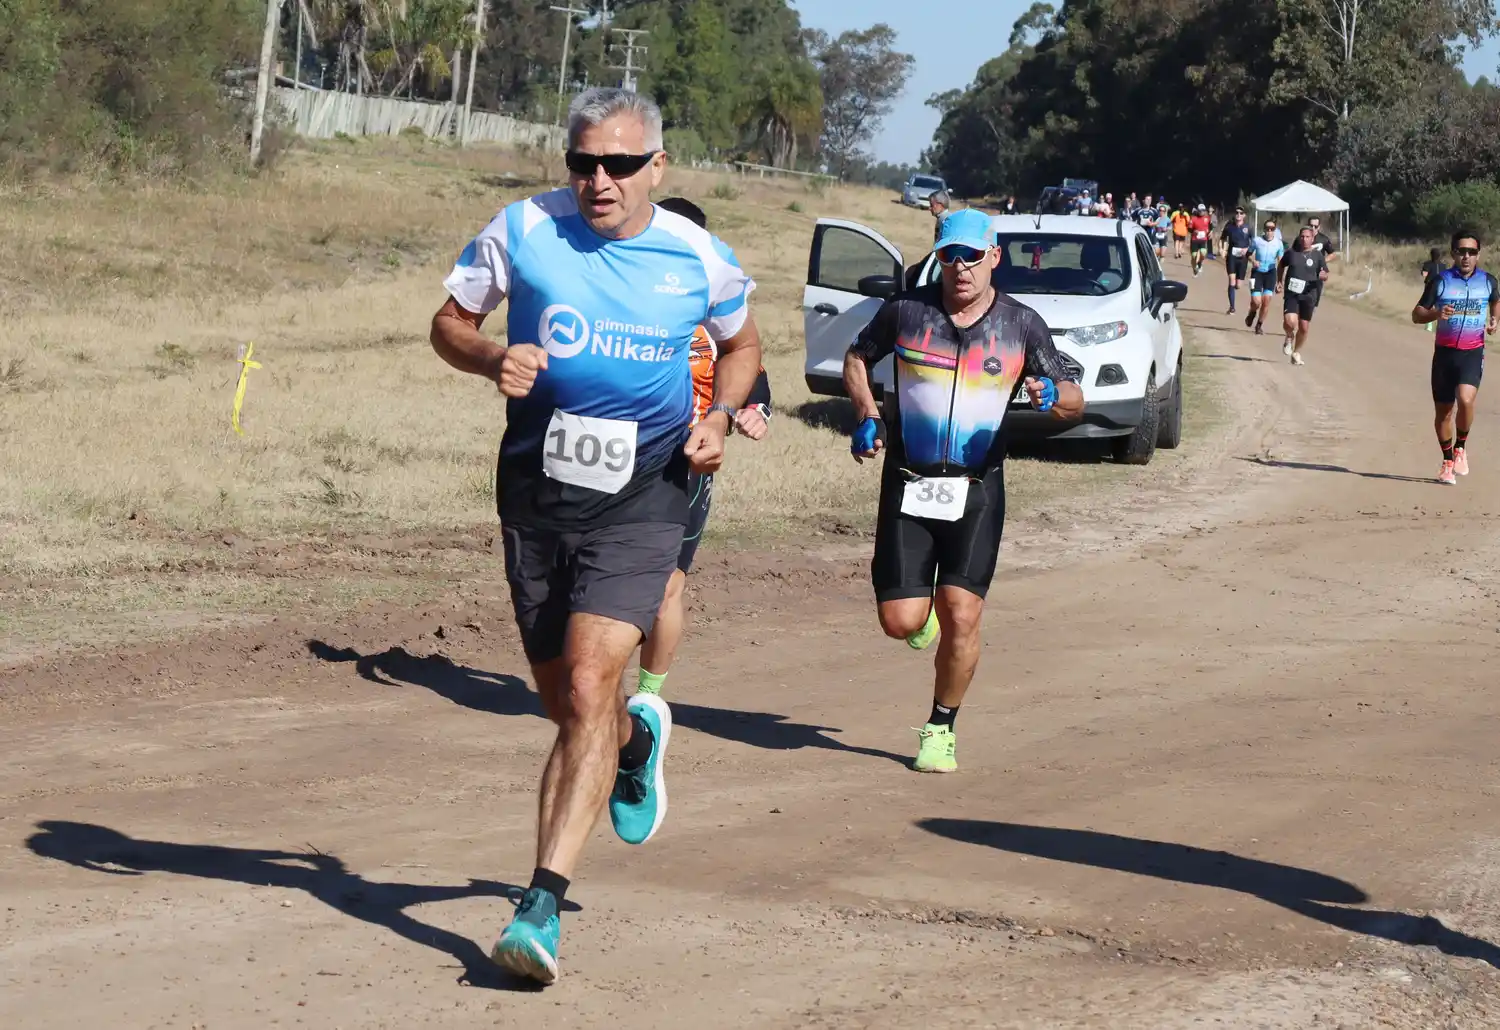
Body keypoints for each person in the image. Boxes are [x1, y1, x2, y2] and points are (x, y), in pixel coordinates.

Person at [429, 87, 762, 985]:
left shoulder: (698, 255)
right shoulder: (522, 230)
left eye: (618, 164)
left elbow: (743, 348)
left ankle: (538, 910)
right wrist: (494, 356)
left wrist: (721, 417)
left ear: (658, 164)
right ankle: (634, 742)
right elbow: (448, 323)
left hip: (646, 494)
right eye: (583, 163)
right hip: (537, 491)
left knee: (586, 682)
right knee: (570, 706)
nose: (599, 181)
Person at [841, 209, 1084, 773]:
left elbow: (1073, 398)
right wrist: (866, 415)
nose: (960, 268)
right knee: (901, 621)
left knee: (964, 614)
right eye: (949, 255)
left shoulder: (1022, 324)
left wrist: (1053, 397)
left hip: (976, 490)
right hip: (908, 482)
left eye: (972, 256)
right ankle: (919, 614)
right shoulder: (906, 311)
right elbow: (857, 357)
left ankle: (940, 726)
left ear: (994, 256)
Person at [637, 197, 773, 698]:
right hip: (612, 461)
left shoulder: (718, 315)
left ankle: (646, 699)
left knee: (668, 586)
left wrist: (750, 413)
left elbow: (753, 379)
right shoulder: (618, 300)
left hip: (685, 467)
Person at [1411, 230, 1499, 485]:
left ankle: (1460, 448)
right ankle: (1447, 461)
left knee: (1466, 398)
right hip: (1444, 354)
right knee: (1444, 413)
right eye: (1461, 251)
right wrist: (1436, 313)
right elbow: (1417, 314)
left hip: (1472, 352)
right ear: (1453, 254)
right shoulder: (1441, 281)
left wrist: (1494, 320)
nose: (1466, 256)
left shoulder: (1488, 281)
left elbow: (1495, 302)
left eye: (1472, 252)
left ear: (1478, 255)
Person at [1277, 225, 1329, 365]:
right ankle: (1289, 336)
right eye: (1302, 236)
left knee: (1304, 327)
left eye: (1307, 237)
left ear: (1312, 239)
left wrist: (1323, 276)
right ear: (1299, 238)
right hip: (1292, 292)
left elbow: (1325, 273)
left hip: (1309, 294)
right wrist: (1279, 281)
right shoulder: (1292, 253)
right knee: (1290, 321)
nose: (1304, 239)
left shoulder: (1318, 256)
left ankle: (1296, 352)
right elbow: (1281, 265)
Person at [1244, 219, 1285, 335]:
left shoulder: (1278, 243)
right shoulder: (1256, 241)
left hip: (1270, 273)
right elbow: (1248, 254)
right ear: (1264, 229)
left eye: (1272, 229)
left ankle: (1259, 325)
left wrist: (1280, 281)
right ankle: (1252, 313)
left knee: (1266, 301)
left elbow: (1281, 262)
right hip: (1256, 273)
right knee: (1256, 302)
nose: (1269, 231)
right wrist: (1253, 261)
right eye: (1267, 228)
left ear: (1275, 230)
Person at [1219, 207, 1254, 315]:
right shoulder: (1229, 227)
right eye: (1237, 212)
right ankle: (1232, 307)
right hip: (1231, 257)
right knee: (1231, 281)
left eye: (1241, 213)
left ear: (1244, 215)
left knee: (1238, 285)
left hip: (1243, 259)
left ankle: (1235, 290)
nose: (1238, 214)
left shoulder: (1248, 228)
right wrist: (1222, 249)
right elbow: (1222, 238)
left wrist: (1248, 250)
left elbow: (1254, 242)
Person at [1188, 204, 1212, 277]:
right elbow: (1189, 228)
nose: (1202, 212)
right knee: (1194, 255)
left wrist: (1211, 232)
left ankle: (1200, 264)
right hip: (1194, 239)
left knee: (1203, 253)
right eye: (1200, 210)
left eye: (1203, 210)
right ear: (1198, 211)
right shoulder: (1193, 218)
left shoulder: (1207, 218)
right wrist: (1194, 231)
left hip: (1203, 239)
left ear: (1205, 211)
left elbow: (1211, 226)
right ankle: (1195, 270)